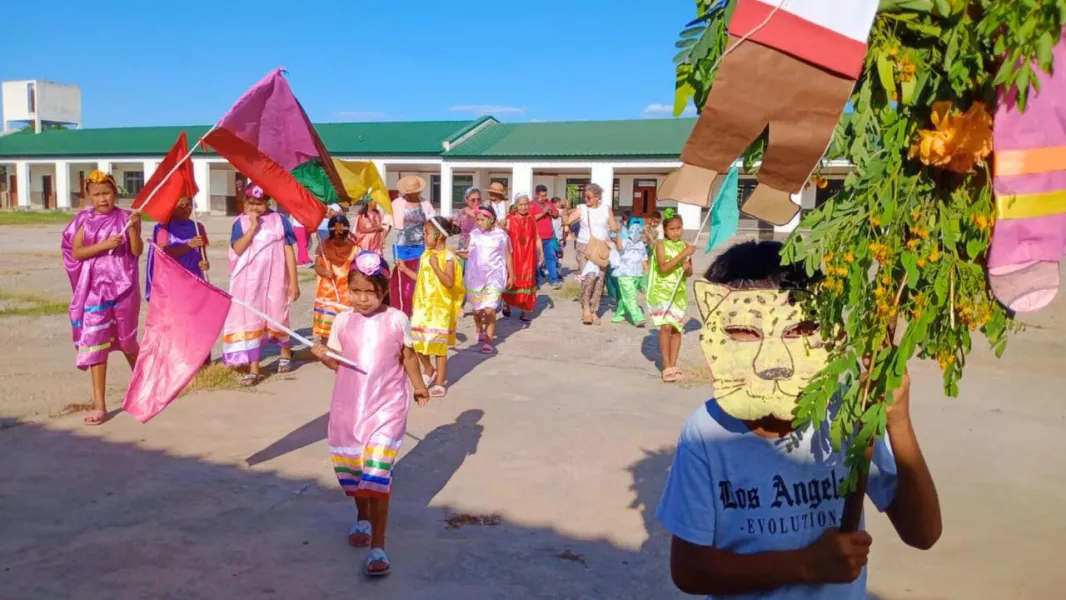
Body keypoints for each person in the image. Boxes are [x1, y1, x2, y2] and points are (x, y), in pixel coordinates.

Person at [657, 241, 941, 599]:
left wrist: (898, 422)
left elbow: (923, 533)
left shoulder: (848, 415)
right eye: (745, 332)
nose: (774, 362)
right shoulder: (707, 434)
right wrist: (805, 565)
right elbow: (688, 569)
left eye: (800, 329)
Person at [312, 251, 430, 577]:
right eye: (356, 291)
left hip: (386, 408)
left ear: (384, 290)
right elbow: (337, 364)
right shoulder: (341, 321)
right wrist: (322, 354)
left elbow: (408, 356)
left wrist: (419, 386)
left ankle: (379, 545)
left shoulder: (396, 319)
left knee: (377, 474)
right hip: (349, 408)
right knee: (356, 471)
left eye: (370, 292)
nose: (363, 299)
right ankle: (361, 518)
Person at [61, 169, 143, 426]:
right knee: (96, 343)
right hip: (95, 290)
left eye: (106, 193)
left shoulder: (126, 217)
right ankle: (100, 405)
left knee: (128, 342)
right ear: (89, 197)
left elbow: (137, 251)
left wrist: (133, 230)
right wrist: (104, 245)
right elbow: (77, 252)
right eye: (96, 195)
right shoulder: (83, 220)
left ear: (115, 193)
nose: (102, 199)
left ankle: (145, 387)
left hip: (125, 287)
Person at [221, 182, 300, 385]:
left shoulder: (280, 221)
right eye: (251, 203)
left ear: (268, 201)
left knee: (278, 313)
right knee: (251, 318)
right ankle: (254, 368)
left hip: (276, 277)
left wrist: (294, 281)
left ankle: (285, 352)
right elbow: (237, 249)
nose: (255, 207)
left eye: (260, 203)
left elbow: (289, 251)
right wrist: (253, 228)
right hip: (249, 281)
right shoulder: (240, 222)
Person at [411, 216, 465, 398]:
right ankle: (428, 369)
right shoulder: (426, 254)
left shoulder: (448, 257)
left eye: (426, 233)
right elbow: (421, 278)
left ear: (439, 236)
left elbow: (449, 282)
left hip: (439, 309)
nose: (424, 236)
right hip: (423, 307)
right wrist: (405, 270)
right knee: (417, 342)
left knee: (439, 347)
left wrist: (435, 266)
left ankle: (440, 382)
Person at [563, 183, 621, 325]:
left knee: (599, 280)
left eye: (588, 197)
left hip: (601, 247)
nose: (586, 199)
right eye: (585, 196)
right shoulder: (582, 209)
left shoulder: (606, 209)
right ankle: (586, 308)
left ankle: (594, 309)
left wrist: (613, 225)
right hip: (584, 247)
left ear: (597, 197)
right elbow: (567, 221)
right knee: (588, 278)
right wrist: (565, 211)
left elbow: (614, 227)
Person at [648, 209, 694, 383]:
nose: (676, 232)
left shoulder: (685, 246)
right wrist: (683, 254)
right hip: (662, 291)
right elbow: (663, 267)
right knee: (666, 326)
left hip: (678, 292)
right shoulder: (660, 245)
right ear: (665, 230)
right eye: (672, 229)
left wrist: (687, 268)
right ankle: (666, 365)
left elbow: (689, 273)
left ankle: (674, 364)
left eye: (679, 228)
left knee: (676, 328)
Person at [462, 207, 513, 353]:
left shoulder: (501, 235)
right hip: (476, 277)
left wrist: (511, 274)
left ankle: (489, 341)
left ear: (491, 219)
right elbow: (467, 254)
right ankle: (479, 328)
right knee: (477, 310)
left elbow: (508, 255)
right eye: (477, 220)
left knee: (490, 309)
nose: (479, 222)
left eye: (482, 220)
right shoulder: (474, 235)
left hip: (495, 276)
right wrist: (458, 254)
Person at [145, 196, 209, 301]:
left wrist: (203, 263)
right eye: (181, 206)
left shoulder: (198, 227)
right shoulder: (164, 227)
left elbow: (202, 255)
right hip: (172, 279)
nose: (186, 209)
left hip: (193, 278)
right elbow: (163, 253)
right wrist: (188, 246)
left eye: (189, 205)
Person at [388, 176, 435, 316]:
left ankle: (415, 304)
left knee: (416, 274)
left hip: (418, 245)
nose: (409, 195)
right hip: (400, 245)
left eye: (413, 192)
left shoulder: (425, 204)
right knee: (401, 273)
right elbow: (388, 221)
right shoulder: (397, 203)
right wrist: (382, 237)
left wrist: (432, 241)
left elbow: (431, 224)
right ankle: (401, 305)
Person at [312, 214, 361, 341]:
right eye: (336, 235)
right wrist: (323, 272)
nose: (338, 238)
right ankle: (325, 345)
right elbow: (317, 266)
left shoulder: (355, 247)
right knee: (326, 329)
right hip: (328, 291)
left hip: (346, 292)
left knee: (346, 328)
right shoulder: (323, 245)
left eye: (341, 236)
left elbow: (359, 270)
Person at [502, 193, 543, 324]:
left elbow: (537, 237)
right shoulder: (510, 219)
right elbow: (501, 235)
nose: (523, 207)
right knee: (512, 280)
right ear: (516, 205)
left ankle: (524, 310)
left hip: (528, 257)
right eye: (521, 204)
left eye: (526, 204)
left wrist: (541, 252)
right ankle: (507, 303)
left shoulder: (532, 219)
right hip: (514, 256)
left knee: (528, 281)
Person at [612, 214, 648, 327]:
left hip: (637, 274)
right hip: (625, 274)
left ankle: (619, 314)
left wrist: (647, 274)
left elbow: (644, 259)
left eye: (639, 228)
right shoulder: (625, 241)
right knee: (631, 296)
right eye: (633, 227)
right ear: (628, 229)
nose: (636, 230)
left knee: (626, 295)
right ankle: (638, 318)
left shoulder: (641, 244)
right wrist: (618, 233)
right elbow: (619, 247)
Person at [531, 185, 562, 289]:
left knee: (551, 258)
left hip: (549, 236)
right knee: (536, 260)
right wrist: (543, 212)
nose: (544, 198)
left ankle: (554, 280)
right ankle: (536, 282)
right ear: (536, 194)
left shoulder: (548, 203)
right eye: (542, 196)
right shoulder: (531, 205)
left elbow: (556, 215)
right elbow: (530, 219)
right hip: (536, 238)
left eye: (545, 195)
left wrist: (552, 212)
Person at [455, 187, 482, 268]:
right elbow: (455, 230)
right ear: (466, 200)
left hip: (479, 248)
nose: (476, 202)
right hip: (464, 248)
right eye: (473, 200)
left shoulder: (484, 212)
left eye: (478, 199)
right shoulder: (461, 213)